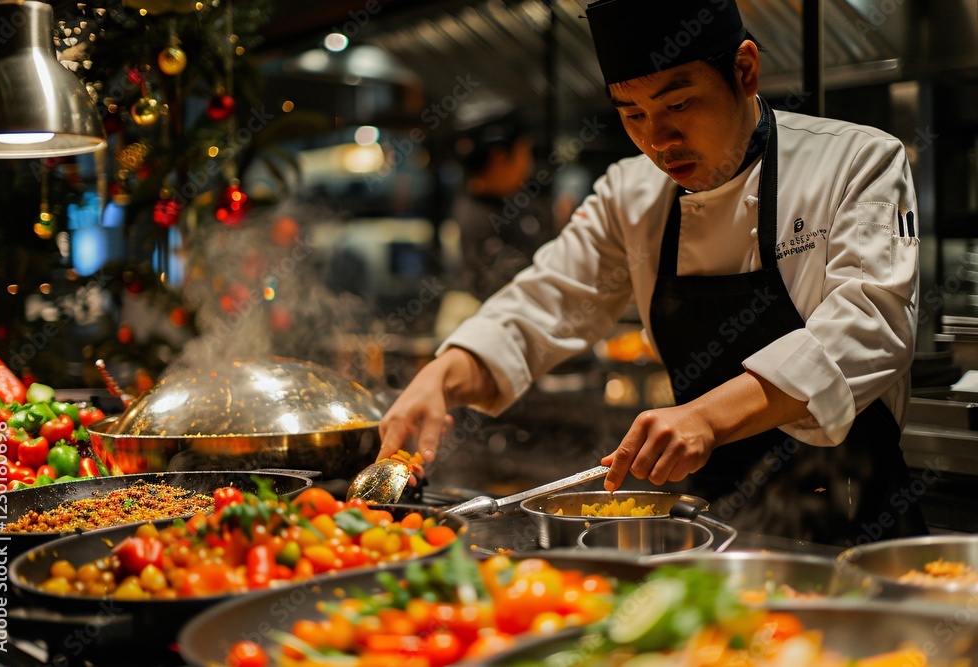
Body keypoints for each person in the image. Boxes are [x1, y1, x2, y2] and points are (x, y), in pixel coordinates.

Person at [378, 0, 927, 546]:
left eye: (679, 104)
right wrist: (439, 377)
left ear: (745, 70)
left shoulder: (855, 161)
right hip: (721, 527)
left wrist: (706, 418)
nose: (658, 140)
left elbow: (870, 324)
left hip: (858, 518)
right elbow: (543, 302)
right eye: (632, 114)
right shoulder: (629, 194)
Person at [450, 109, 556, 301]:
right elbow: (506, 292)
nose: (528, 163)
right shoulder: (477, 219)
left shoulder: (514, 201)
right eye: (524, 152)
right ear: (499, 158)